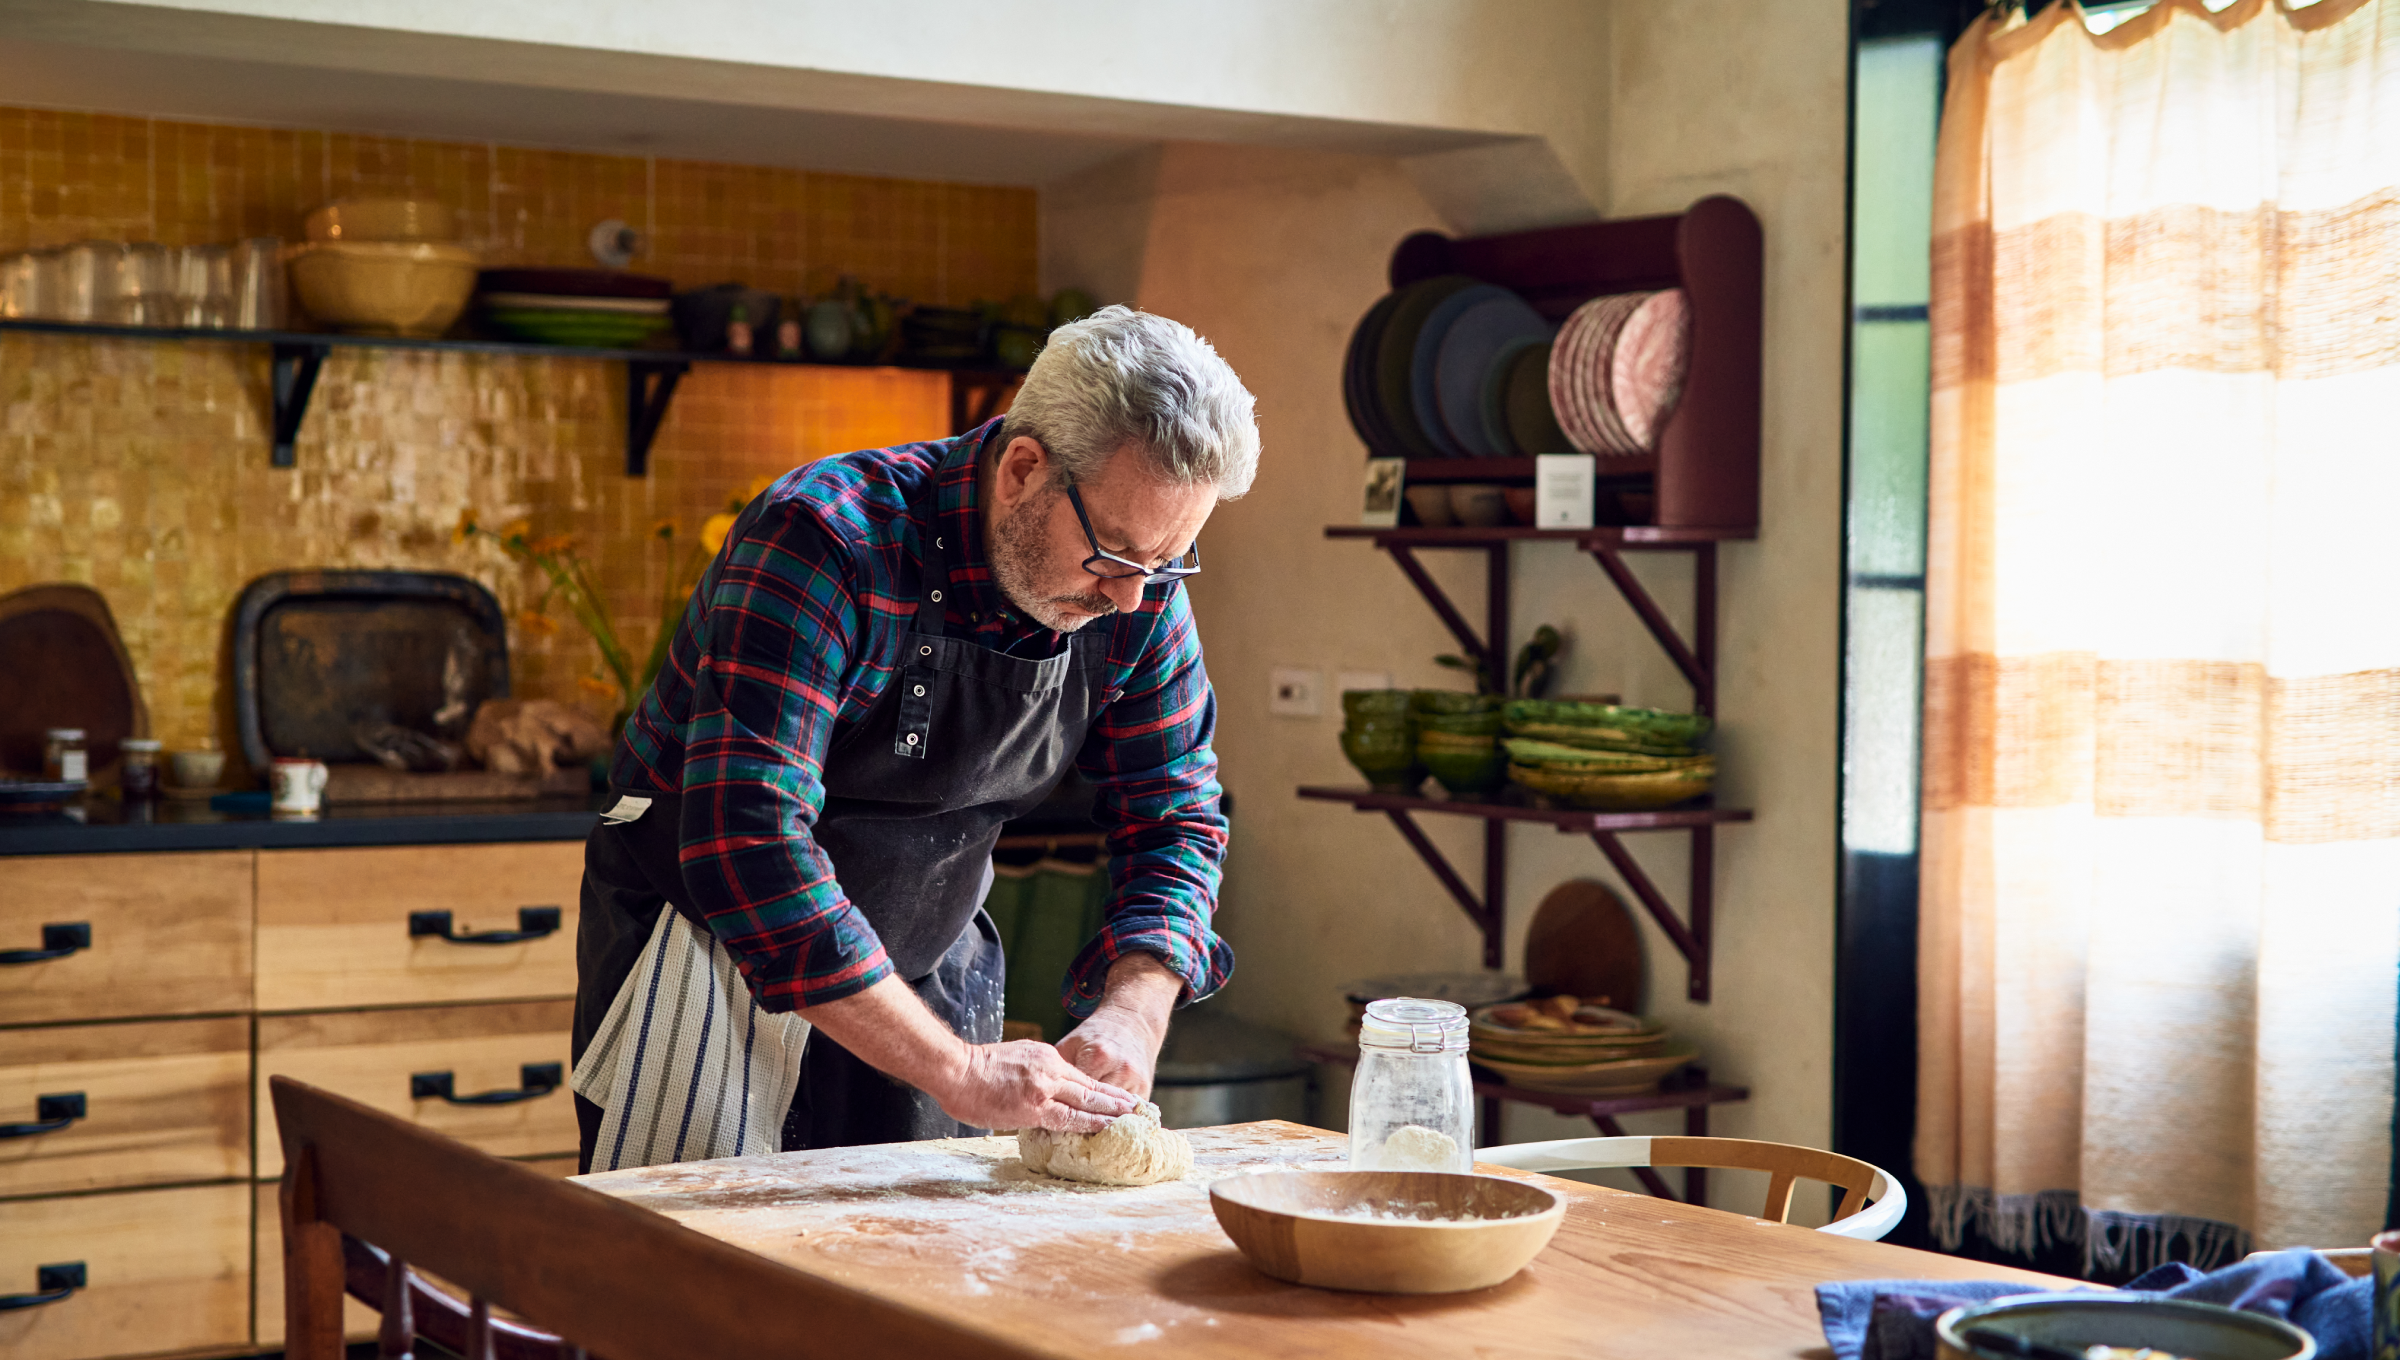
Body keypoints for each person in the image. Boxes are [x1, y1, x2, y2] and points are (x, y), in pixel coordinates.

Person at [570, 306, 1257, 1171]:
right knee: (691, 1284)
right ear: (1021, 469)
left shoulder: (1138, 588)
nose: (1131, 597)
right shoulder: (825, 540)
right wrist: (958, 1069)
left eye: (1166, 561)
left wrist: (1135, 1006)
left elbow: (1177, 815)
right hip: (709, 964)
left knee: (912, 1276)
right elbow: (749, 836)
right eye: (1113, 554)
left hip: (930, 966)